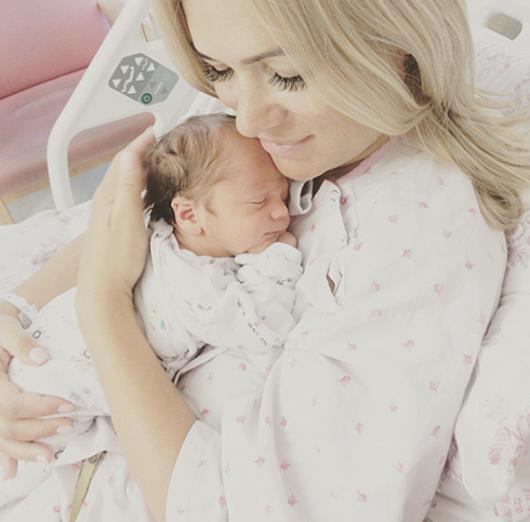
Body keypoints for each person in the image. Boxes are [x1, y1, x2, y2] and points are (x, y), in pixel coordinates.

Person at [0, 0, 529, 521]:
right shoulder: (262, 128)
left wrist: (104, 307)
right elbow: (121, 226)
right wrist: (14, 319)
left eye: (287, 75)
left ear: (397, 46)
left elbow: (242, 506)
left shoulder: (417, 228)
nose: (248, 120)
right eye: (218, 70)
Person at [0, 113, 303, 510]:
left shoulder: (157, 230)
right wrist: (278, 256)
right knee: (23, 460)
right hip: (54, 381)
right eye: (259, 202)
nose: (282, 214)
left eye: (283, 196)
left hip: (44, 352)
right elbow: (261, 326)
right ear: (189, 214)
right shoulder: (198, 287)